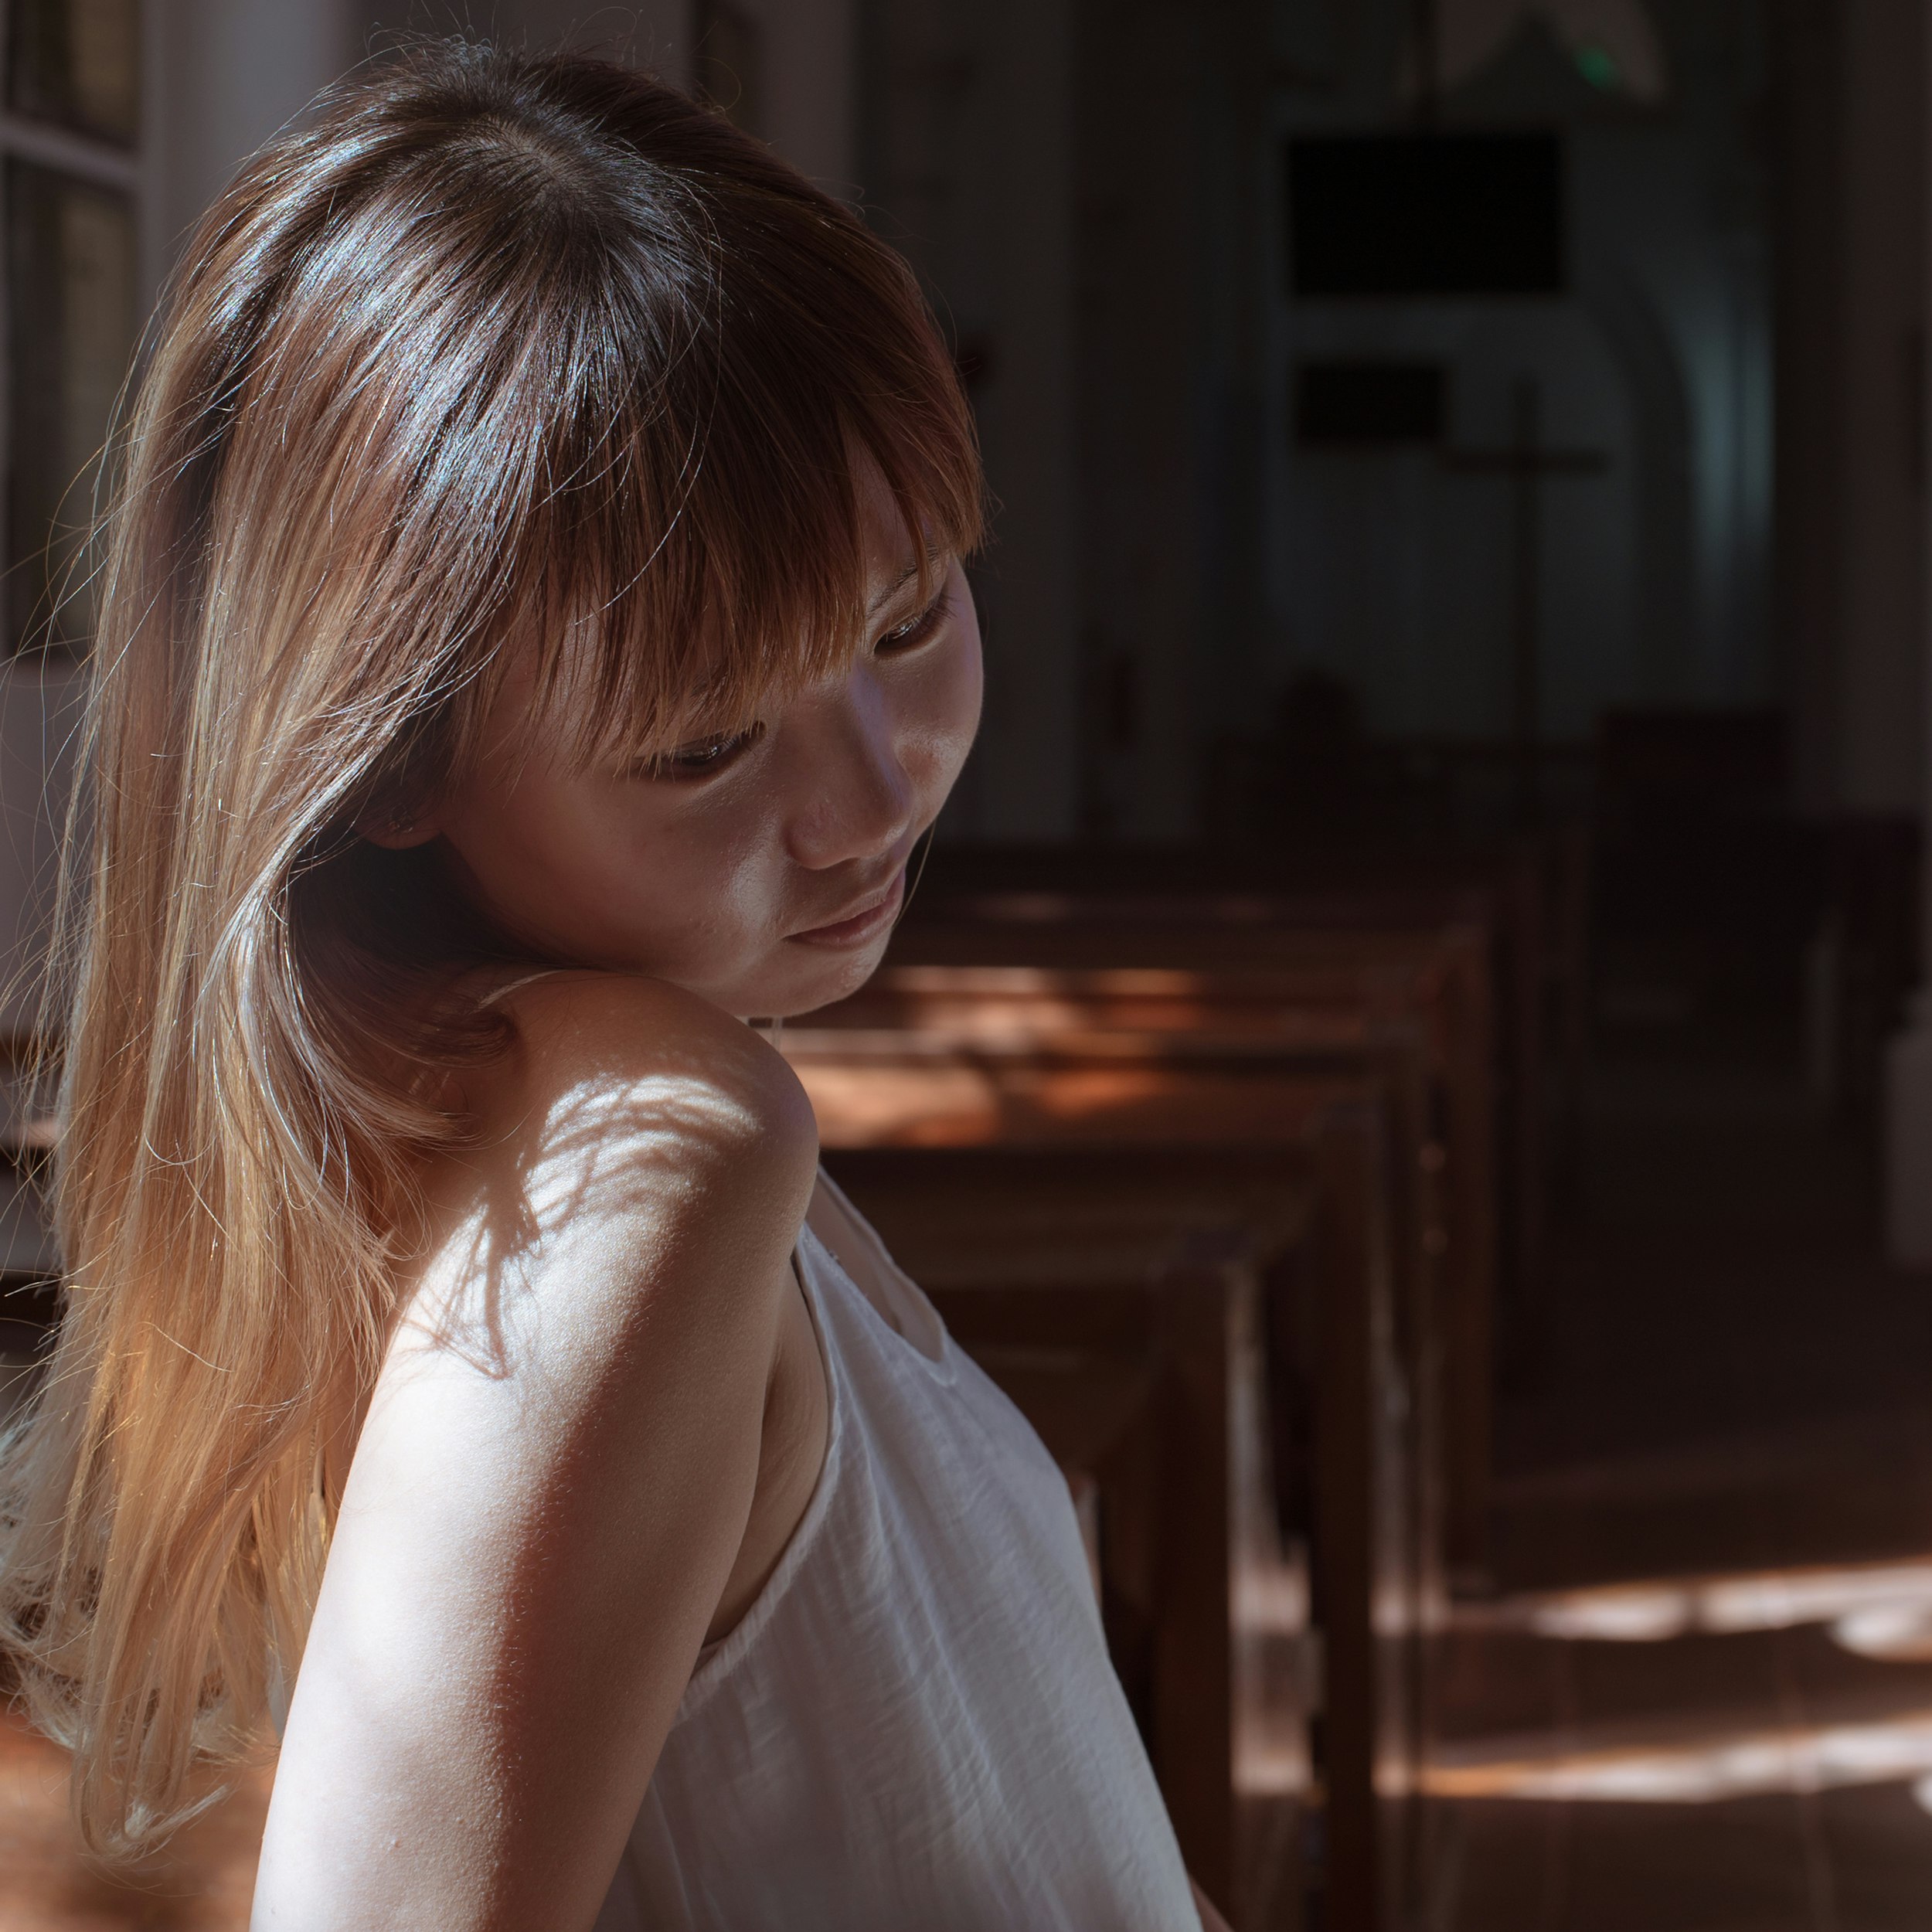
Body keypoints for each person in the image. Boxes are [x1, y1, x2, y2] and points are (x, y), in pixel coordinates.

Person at [0, 40, 1231, 1931]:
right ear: (390, 761)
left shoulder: (553, 1106)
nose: (876, 787)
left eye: (908, 619)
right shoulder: (647, 1156)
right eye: (703, 745)